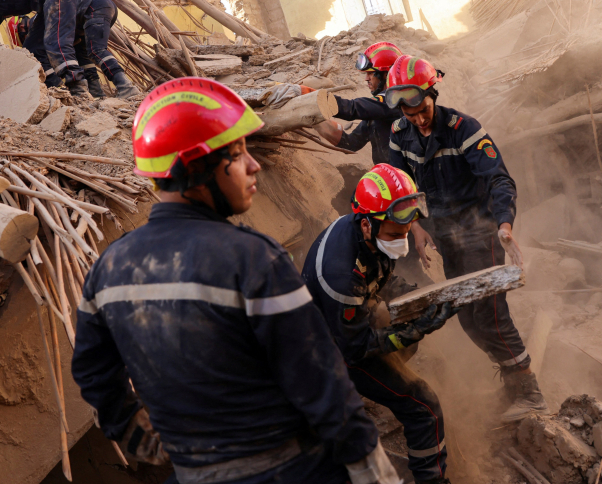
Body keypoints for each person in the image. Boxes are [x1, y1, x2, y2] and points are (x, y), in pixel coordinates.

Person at [71, 78, 401, 484]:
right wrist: (371, 466)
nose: (254, 164)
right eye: (239, 153)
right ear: (198, 166)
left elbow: (91, 371)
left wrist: (139, 437)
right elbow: (320, 379)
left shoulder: (107, 270)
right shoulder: (252, 258)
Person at [384, 55, 549, 422]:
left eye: (422, 110)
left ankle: (530, 393)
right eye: (410, 115)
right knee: (468, 320)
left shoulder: (464, 128)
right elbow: (400, 187)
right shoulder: (399, 134)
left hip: (479, 232)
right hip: (445, 237)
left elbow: (499, 180)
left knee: (490, 315)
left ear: (433, 94)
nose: (418, 119)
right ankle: (511, 386)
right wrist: (416, 226)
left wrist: (504, 225)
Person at [302, 164, 458, 484]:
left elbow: (381, 276)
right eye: (395, 233)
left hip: (348, 329)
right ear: (366, 225)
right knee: (423, 405)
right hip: (332, 352)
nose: (402, 239)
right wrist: (419, 327)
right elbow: (356, 348)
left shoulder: (370, 231)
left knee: (402, 332)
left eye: (406, 230)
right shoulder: (340, 274)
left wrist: (420, 298)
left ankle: (374, 392)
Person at [313, 42, 405, 165]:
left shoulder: (394, 101)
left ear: (386, 74)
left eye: (371, 73)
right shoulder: (377, 111)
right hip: (389, 177)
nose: (366, 78)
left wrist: (313, 98)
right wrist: (316, 120)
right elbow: (351, 143)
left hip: (407, 180)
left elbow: (352, 108)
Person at [32, 0, 140, 98]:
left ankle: (126, 87)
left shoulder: (48, 19)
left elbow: (57, 41)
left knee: (97, 50)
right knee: (85, 53)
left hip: (92, 10)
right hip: (102, 9)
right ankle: (97, 93)